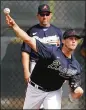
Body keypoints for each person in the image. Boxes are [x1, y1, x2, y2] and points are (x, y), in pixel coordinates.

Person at [5, 14, 84, 109]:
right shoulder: (51, 51)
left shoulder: (75, 66)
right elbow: (28, 40)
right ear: (63, 41)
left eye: (76, 39)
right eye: (71, 38)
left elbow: (74, 85)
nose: (74, 41)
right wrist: (14, 26)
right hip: (35, 90)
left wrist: (76, 92)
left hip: (53, 92)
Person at [21, 4, 62, 109]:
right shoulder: (32, 31)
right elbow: (25, 51)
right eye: (42, 14)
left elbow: (63, 53)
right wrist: (26, 70)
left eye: (47, 14)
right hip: (36, 65)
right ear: (38, 16)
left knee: (52, 97)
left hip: (54, 66)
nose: (45, 17)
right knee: (36, 98)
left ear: (50, 15)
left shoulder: (58, 32)